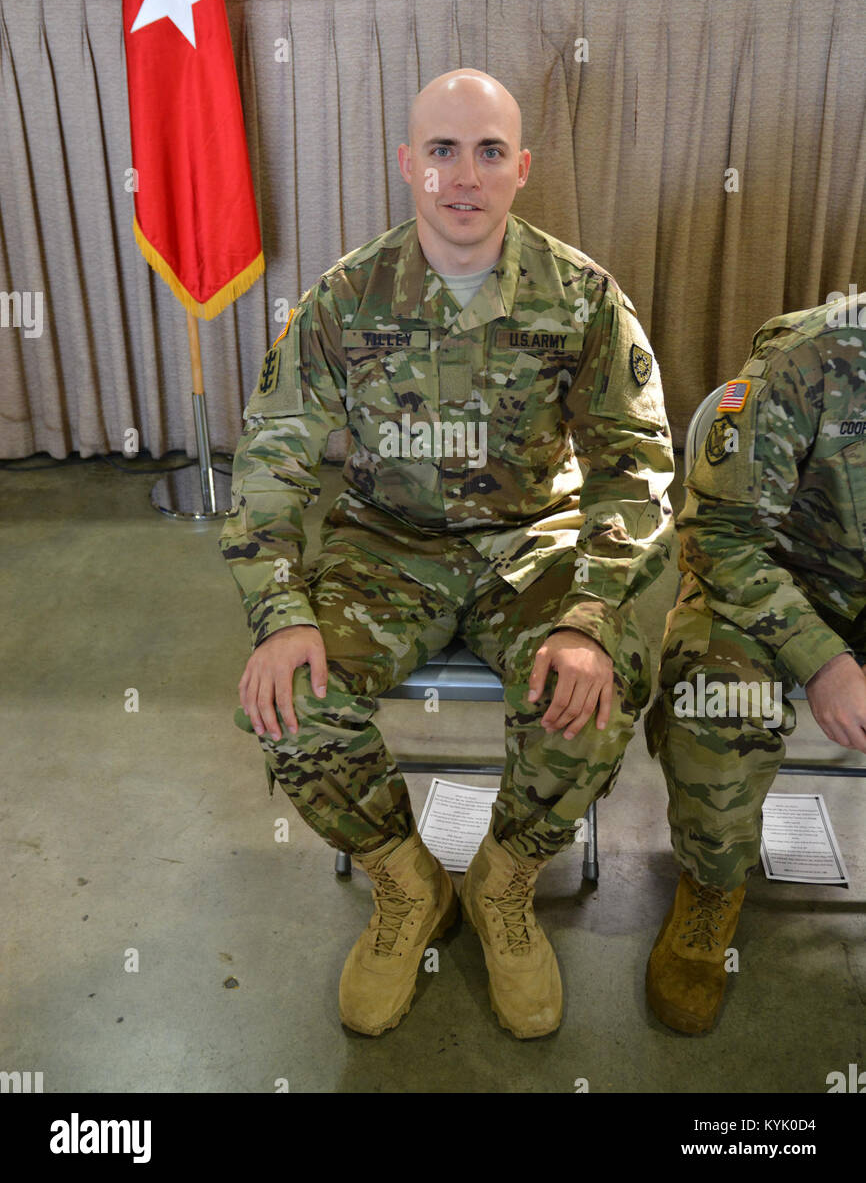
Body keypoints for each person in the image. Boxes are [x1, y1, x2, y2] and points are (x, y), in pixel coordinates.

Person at [220, 68, 674, 1038]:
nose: (462, 176)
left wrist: (591, 616)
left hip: (529, 543)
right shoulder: (344, 301)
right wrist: (281, 612)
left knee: (605, 681)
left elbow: (633, 468)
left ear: (521, 169)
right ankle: (406, 879)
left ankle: (503, 882)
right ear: (405, 166)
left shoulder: (581, 297)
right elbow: (269, 459)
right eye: (440, 151)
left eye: (487, 151)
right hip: (389, 543)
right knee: (288, 701)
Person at [645, 294, 866, 1035]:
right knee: (719, 701)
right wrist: (824, 661)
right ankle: (711, 885)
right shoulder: (811, 358)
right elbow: (720, 537)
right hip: (774, 582)